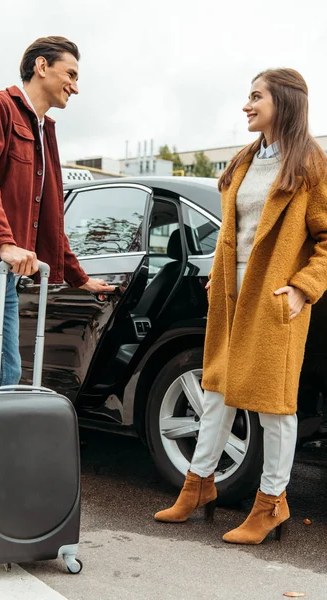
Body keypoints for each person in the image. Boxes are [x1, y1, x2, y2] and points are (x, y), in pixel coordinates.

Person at [0, 36, 114, 538]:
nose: (76, 86)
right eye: (70, 74)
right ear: (41, 67)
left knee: (6, 379)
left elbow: (49, 212)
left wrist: (77, 275)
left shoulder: (44, 130)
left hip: (7, 268)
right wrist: (5, 242)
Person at [154, 68, 327, 544]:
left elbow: (326, 239)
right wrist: (215, 273)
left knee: (275, 407)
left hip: (276, 297)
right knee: (216, 390)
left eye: (256, 97)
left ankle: (272, 504)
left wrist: (301, 288)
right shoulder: (243, 161)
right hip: (231, 293)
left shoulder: (311, 164)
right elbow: (233, 232)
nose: (246, 105)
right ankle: (199, 485)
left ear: (284, 103)